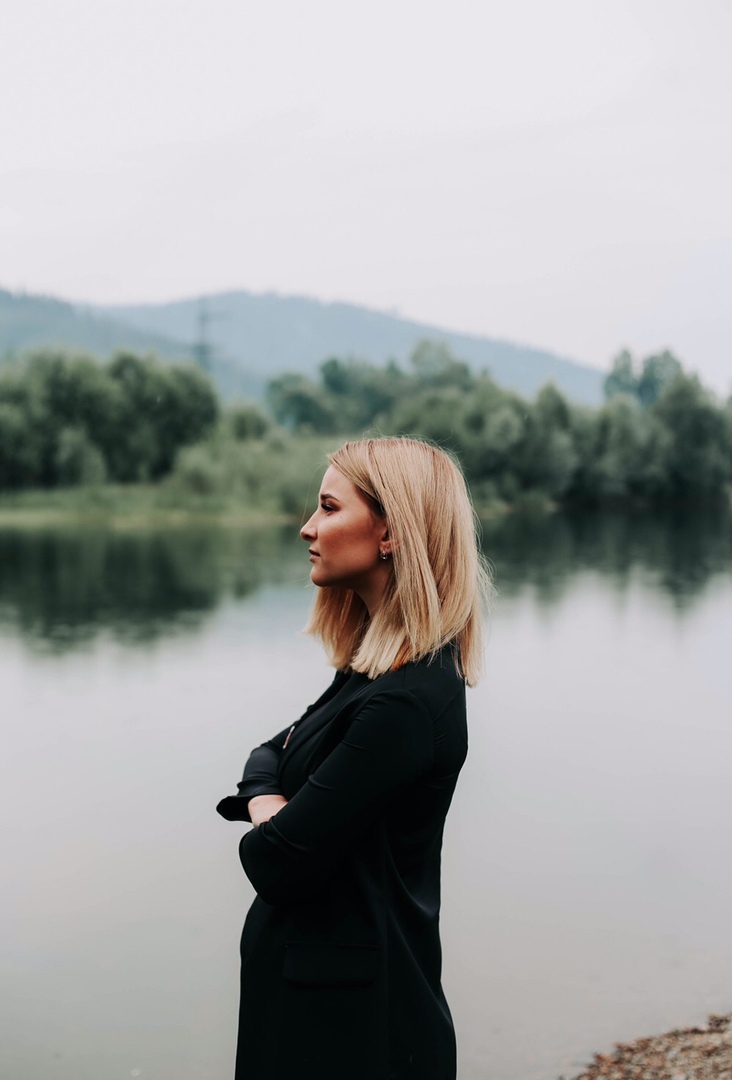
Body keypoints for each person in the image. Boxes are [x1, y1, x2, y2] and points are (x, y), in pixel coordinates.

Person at [217, 436, 491, 1080]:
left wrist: (269, 811)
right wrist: (275, 803)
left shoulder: (404, 702)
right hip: (318, 1004)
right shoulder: (372, 673)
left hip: (354, 1031)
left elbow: (275, 862)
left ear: (390, 532)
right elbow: (267, 753)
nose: (308, 527)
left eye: (329, 507)